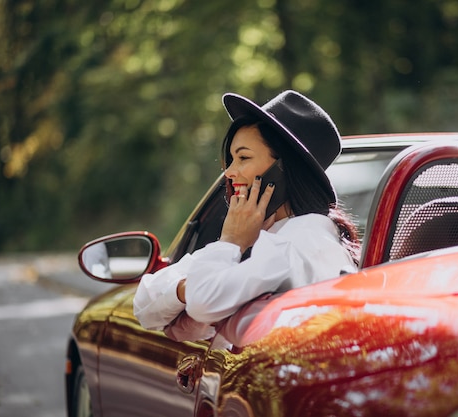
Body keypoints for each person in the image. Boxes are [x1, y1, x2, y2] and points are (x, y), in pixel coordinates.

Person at [133, 90, 360, 345]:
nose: (229, 172)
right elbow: (144, 304)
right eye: (231, 159)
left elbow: (202, 301)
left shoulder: (301, 240)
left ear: (284, 169)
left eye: (243, 157)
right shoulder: (266, 236)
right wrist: (187, 287)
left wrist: (229, 243)